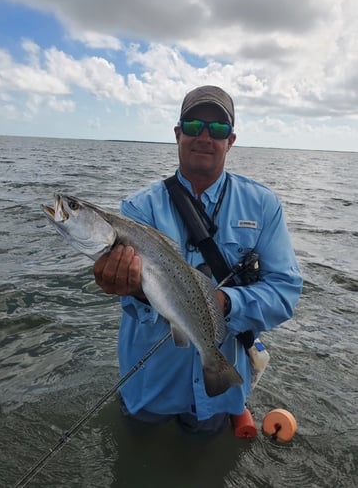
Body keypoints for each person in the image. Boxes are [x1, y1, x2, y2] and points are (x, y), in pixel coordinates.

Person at [94, 85, 303, 434]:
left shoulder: (263, 205)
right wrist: (128, 290)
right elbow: (133, 307)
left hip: (218, 392)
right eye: (193, 126)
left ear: (231, 140)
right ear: (178, 134)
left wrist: (224, 303)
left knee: (204, 457)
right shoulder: (138, 209)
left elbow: (284, 292)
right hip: (150, 384)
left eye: (218, 129)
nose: (205, 136)